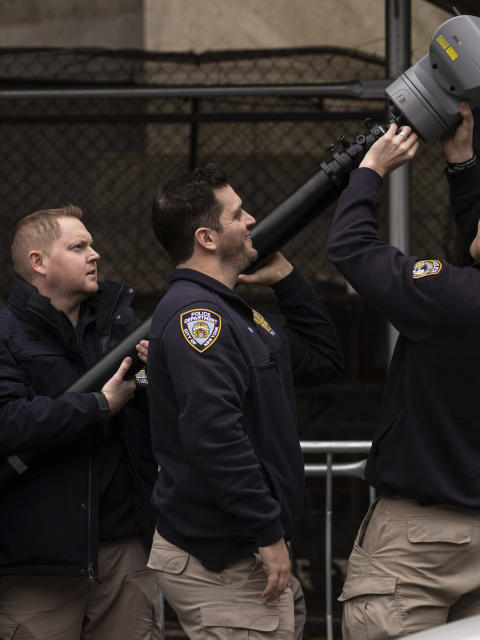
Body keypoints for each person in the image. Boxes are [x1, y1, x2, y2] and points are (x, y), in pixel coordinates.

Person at [327, 103, 480, 639]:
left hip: (421, 544)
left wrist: (371, 169)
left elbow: (351, 248)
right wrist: (462, 162)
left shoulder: (450, 298)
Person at [146, 165, 344, 639]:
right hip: (227, 560)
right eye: (237, 215)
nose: (252, 219)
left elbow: (322, 361)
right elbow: (215, 435)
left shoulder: (238, 313)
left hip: (246, 555)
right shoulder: (200, 316)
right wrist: (266, 532)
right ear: (207, 238)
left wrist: (287, 279)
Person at [0, 205, 161, 640]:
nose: (95, 255)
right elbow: (0, 423)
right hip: (40, 560)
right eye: (79, 246)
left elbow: (148, 408)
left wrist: (154, 373)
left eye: (91, 245)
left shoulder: (119, 325)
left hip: (124, 549)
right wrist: (97, 406)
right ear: (38, 262)